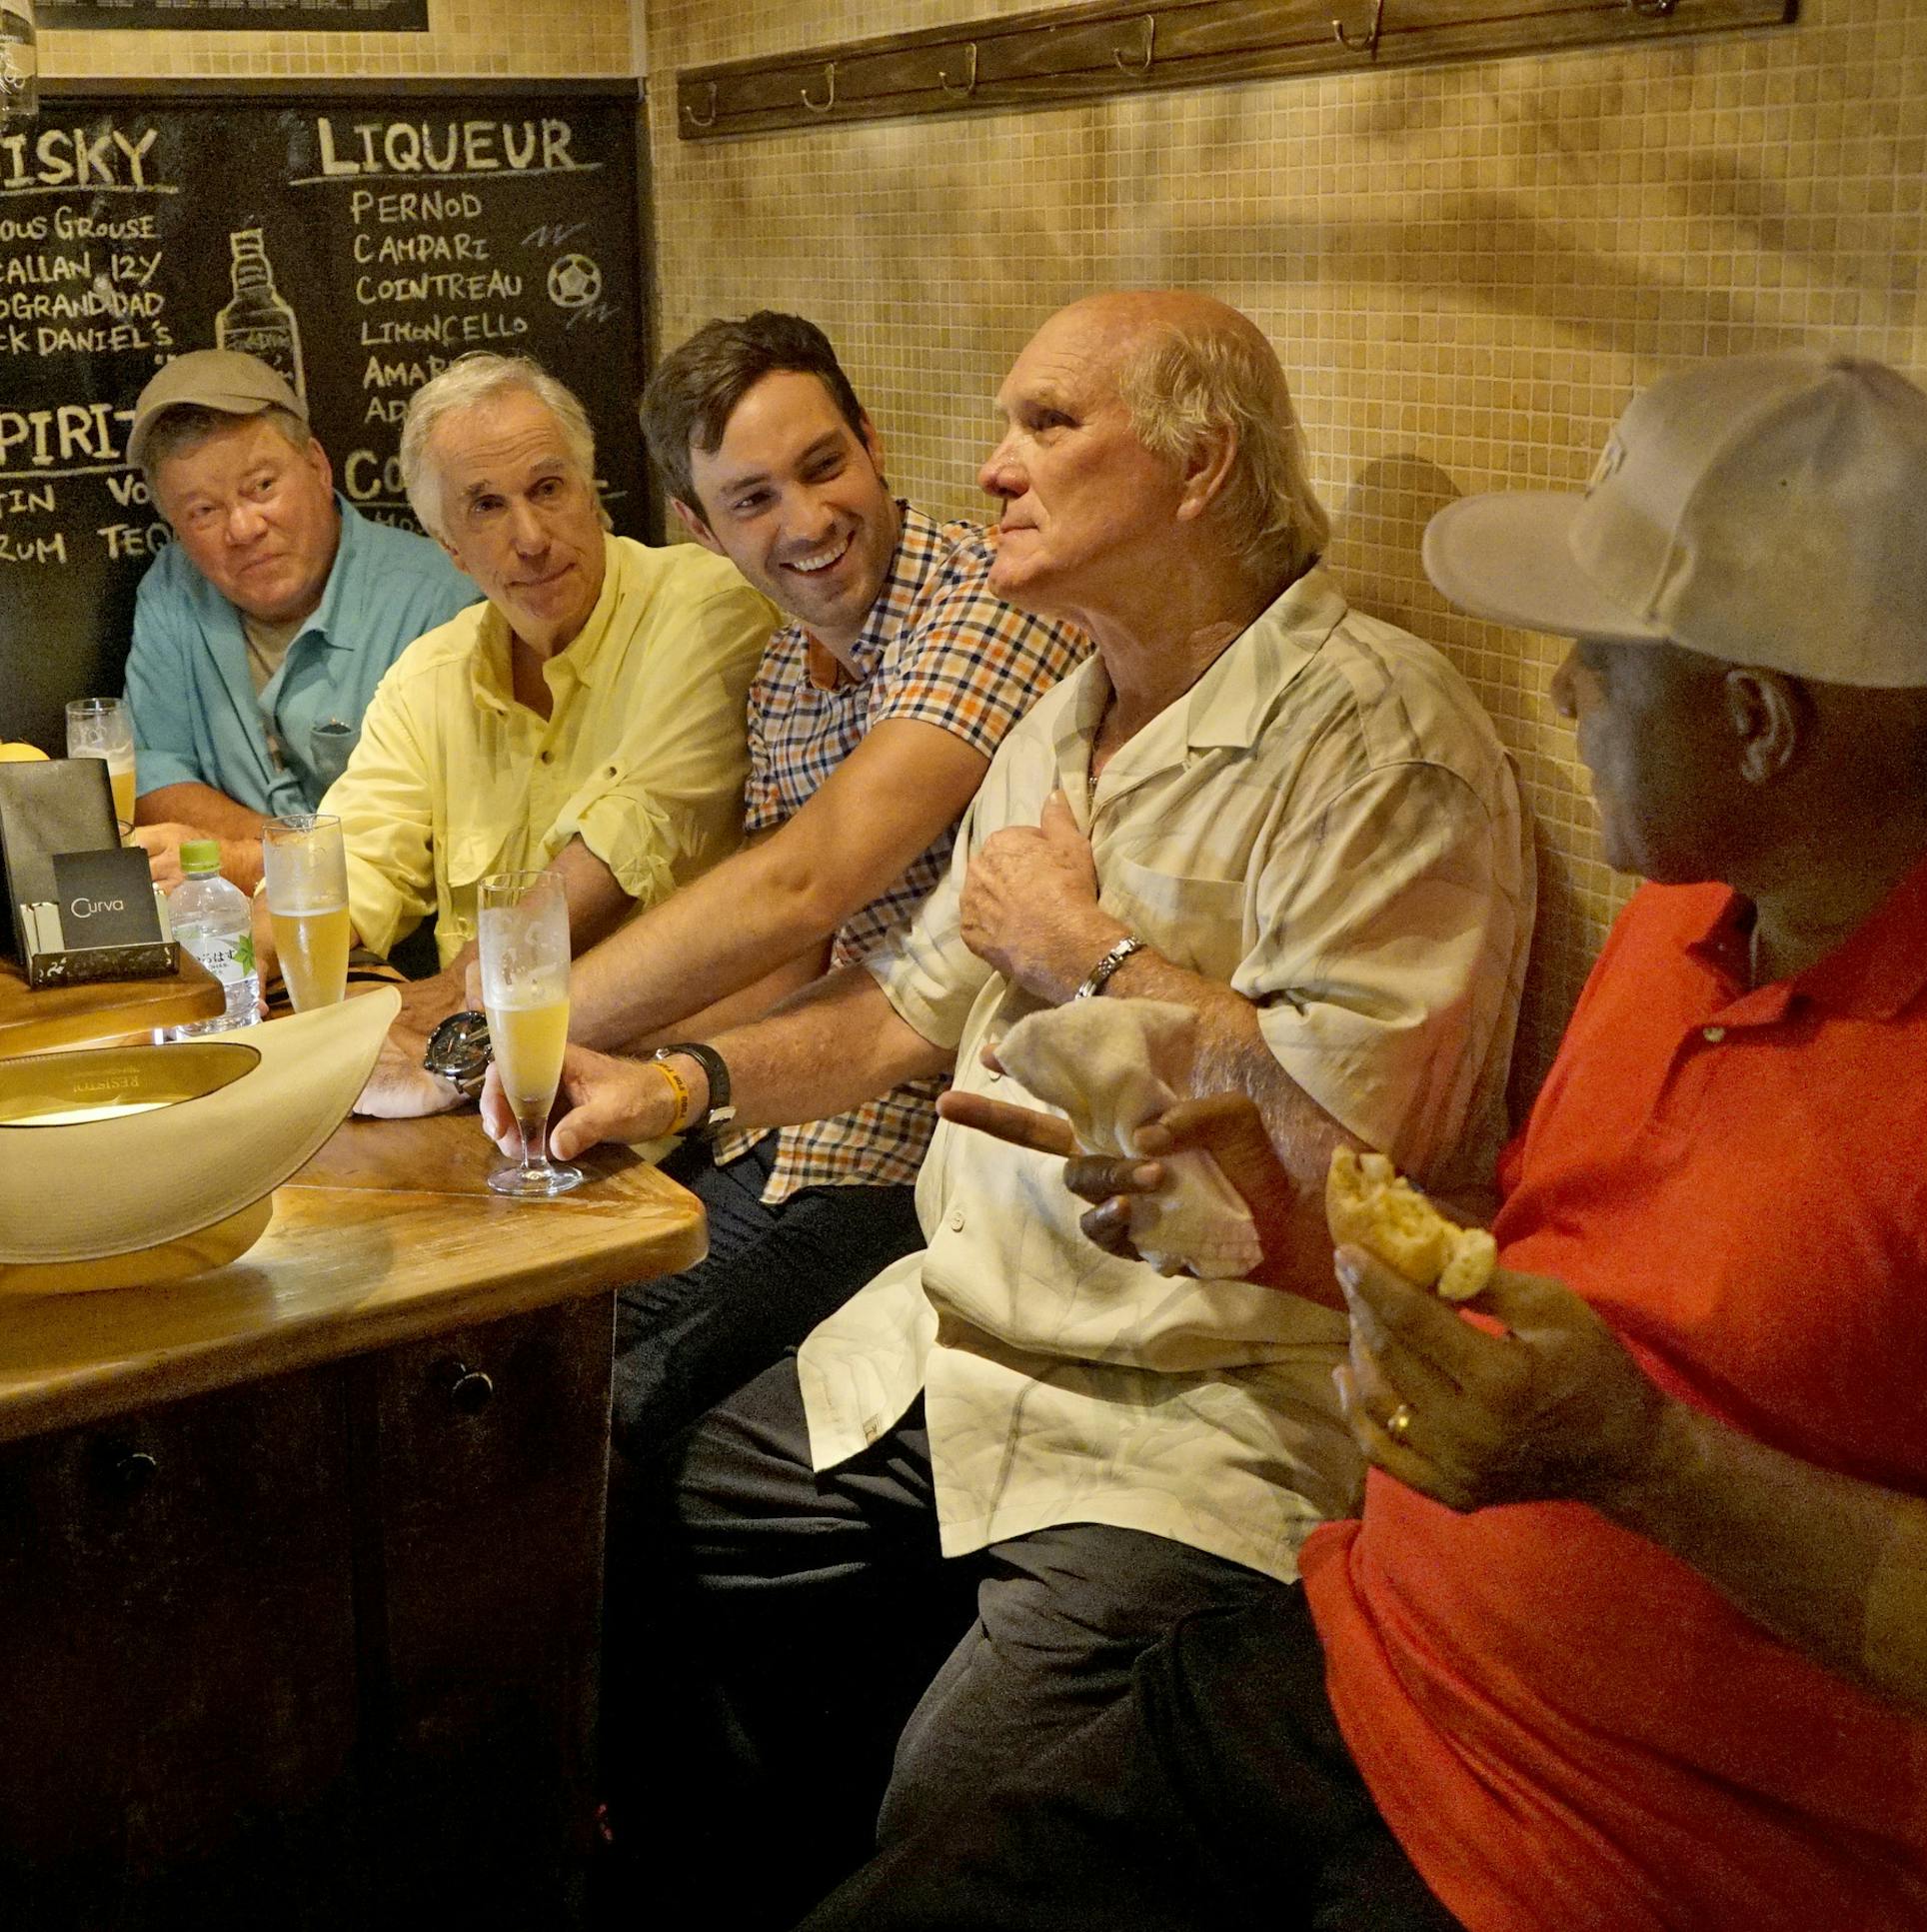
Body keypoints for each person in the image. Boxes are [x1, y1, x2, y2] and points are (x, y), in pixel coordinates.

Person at [798, 351, 1927, 1932]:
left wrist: (1647, 1464)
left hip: (1643, 1858)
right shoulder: (1699, 909)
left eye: (1598, 658)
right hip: (1363, 1675)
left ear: (1762, 720)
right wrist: (1289, 1225)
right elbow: (1563, 1285)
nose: (1566, 694)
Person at [489, 290, 1532, 1925]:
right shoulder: (1068, 714)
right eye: (1004, 427)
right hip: (964, 1342)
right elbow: (904, 1009)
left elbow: (1376, 1168)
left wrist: (1099, 952)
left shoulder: (1378, 738)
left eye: (1051, 426)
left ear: (1203, 466)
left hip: (1191, 1418)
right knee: (660, 1534)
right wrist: (678, 1082)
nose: (991, 470)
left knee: (957, 1805)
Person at [530, 311, 1087, 1461]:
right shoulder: (785, 670)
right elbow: (788, 958)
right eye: (752, 499)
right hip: (778, 1118)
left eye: (822, 466)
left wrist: (516, 1023)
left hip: (911, 1151)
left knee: (597, 1412)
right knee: (524, 1347)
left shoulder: (983, 603)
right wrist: (633, 1067)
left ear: (872, 443)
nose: (808, 521)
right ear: (698, 528)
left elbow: (807, 882)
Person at [334, 352, 775, 1112]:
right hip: (476, 1095)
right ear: (449, 546)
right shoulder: (427, 677)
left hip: (664, 1096)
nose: (532, 537)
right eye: (487, 507)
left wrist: (458, 1000)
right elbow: (347, 868)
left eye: (548, 488)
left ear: (591, 490)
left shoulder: (708, 608)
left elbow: (632, 833)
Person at [121, 349, 476, 891]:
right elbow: (152, 776)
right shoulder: (171, 591)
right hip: (230, 937)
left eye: (262, 486)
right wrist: (289, 856)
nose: (242, 528)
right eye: (203, 512)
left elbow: (441, 834)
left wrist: (248, 858)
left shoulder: (444, 600)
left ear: (316, 465)